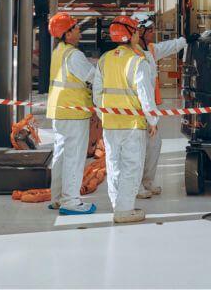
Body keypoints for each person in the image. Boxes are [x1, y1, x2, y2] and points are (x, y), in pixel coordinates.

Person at [92, 15, 157, 224]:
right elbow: (145, 95)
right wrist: (153, 121)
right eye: (136, 31)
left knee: (113, 165)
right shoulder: (138, 62)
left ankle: (117, 205)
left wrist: (103, 115)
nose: (138, 34)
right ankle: (124, 209)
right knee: (132, 165)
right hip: (132, 124)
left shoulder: (104, 59)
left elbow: (97, 93)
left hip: (110, 123)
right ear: (131, 35)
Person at [130, 12, 199, 199]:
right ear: (140, 30)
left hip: (149, 107)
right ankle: (135, 187)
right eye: (150, 30)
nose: (153, 33)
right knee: (137, 150)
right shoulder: (131, 53)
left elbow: (167, 47)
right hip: (136, 110)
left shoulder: (149, 50)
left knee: (154, 145)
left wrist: (185, 40)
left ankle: (147, 182)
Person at [45, 12, 97, 215]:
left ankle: (57, 198)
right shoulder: (74, 55)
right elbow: (92, 76)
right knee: (74, 158)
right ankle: (71, 202)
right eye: (74, 27)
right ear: (67, 34)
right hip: (74, 112)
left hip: (59, 111)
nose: (78, 30)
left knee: (61, 155)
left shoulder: (59, 51)